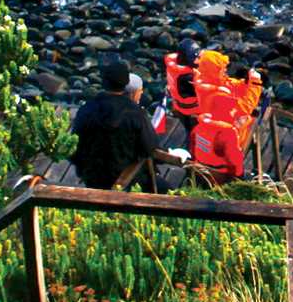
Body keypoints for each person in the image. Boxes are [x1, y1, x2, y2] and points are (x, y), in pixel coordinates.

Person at [71, 58, 173, 189]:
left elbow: (74, 146)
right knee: (169, 191)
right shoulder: (136, 112)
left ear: (104, 82)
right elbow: (150, 148)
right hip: (129, 181)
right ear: (125, 84)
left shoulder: (86, 109)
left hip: (93, 180)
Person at [164, 38, 202, 122]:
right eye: (195, 58)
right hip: (192, 110)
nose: (198, 60)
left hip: (177, 104)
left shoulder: (173, 64)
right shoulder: (187, 77)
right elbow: (201, 92)